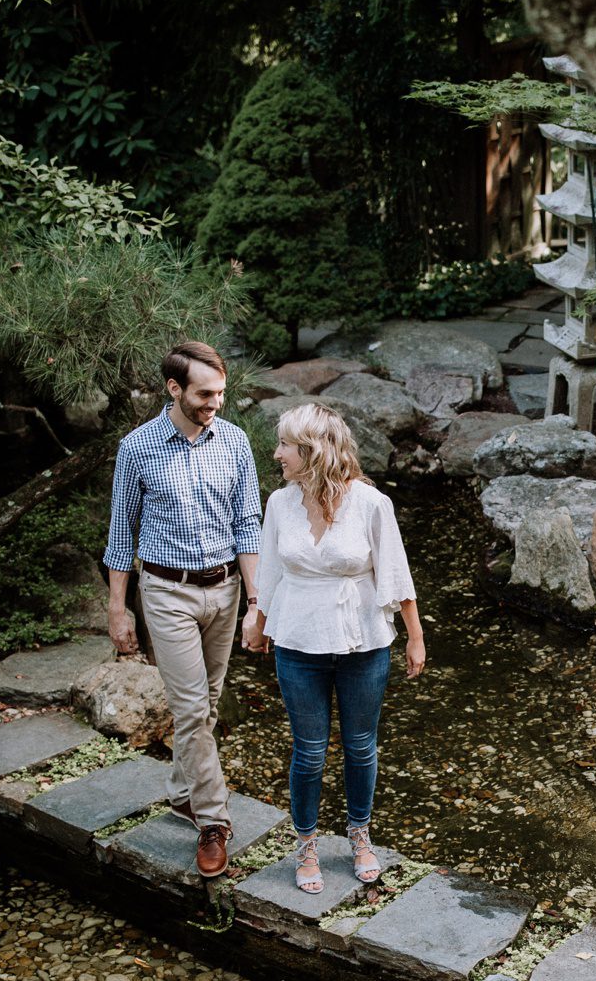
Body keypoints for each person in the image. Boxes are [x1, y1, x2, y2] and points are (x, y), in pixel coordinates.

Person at [242, 402, 424, 892]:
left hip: (364, 641)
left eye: (285, 445)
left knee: (361, 746)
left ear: (313, 450)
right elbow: (273, 571)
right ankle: (306, 844)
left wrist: (415, 635)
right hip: (298, 641)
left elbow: (394, 570)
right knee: (309, 750)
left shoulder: (371, 504)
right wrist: (257, 620)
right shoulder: (280, 503)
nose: (277, 453)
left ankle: (359, 836)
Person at [103, 341, 262, 878]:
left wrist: (256, 603)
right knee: (193, 709)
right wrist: (118, 610)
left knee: (207, 705)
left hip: (225, 590)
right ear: (174, 389)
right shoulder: (137, 448)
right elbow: (120, 537)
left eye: (221, 391)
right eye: (204, 393)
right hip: (166, 593)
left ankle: (178, 789)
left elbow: (248, 527)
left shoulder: (236, 443)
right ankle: (213, 822)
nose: (216, 401)